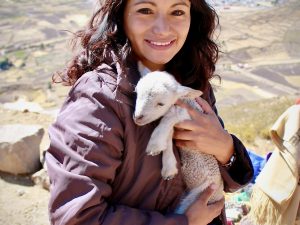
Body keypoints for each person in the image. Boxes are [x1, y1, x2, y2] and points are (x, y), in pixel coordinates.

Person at [46, 0, 253, 225]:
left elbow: (229, 183)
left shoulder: (191, 82)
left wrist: (225, 148)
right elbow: (77, 218)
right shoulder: (99, 99)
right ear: (120, 16)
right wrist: (183, 222)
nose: (163, 29)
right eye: (145, 10)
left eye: (177, 11)